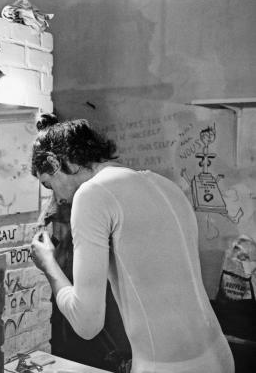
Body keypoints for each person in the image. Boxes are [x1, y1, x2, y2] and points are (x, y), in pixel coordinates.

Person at [30, 118, 234, 373]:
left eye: (49, 184)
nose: (57, 199)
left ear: (55, 162)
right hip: (220, 356)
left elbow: (86, 323)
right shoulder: (162, 184)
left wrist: (48, 263)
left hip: (170, 367)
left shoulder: (92, 194)